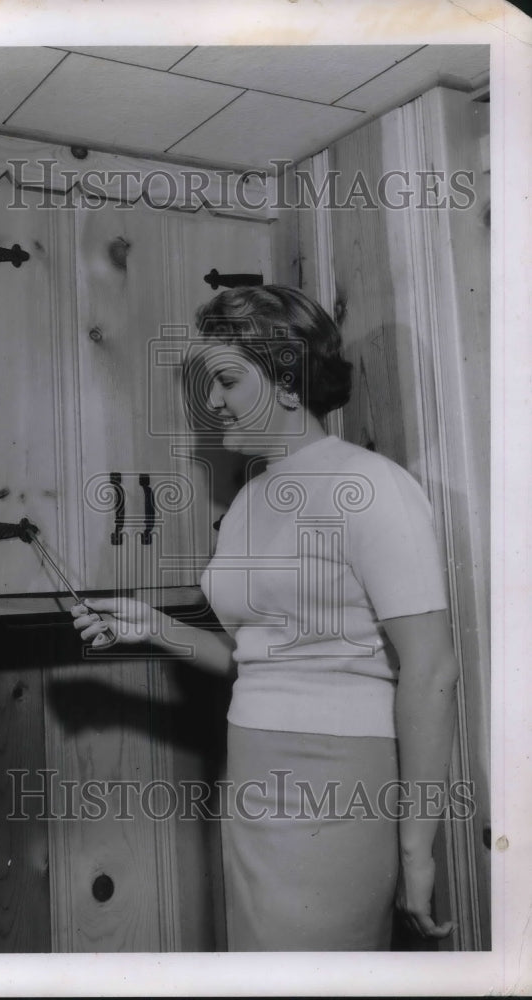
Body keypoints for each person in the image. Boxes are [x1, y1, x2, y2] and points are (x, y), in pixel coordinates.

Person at [70, 285, 460, 951]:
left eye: (224, 379)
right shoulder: (249, 500)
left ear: (285, 380)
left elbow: (430, 670)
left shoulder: (372, 487)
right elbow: (255, 659)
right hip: (249, 764)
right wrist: (152, 627)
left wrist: (416, 847)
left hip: (337, 779)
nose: (211, 401)